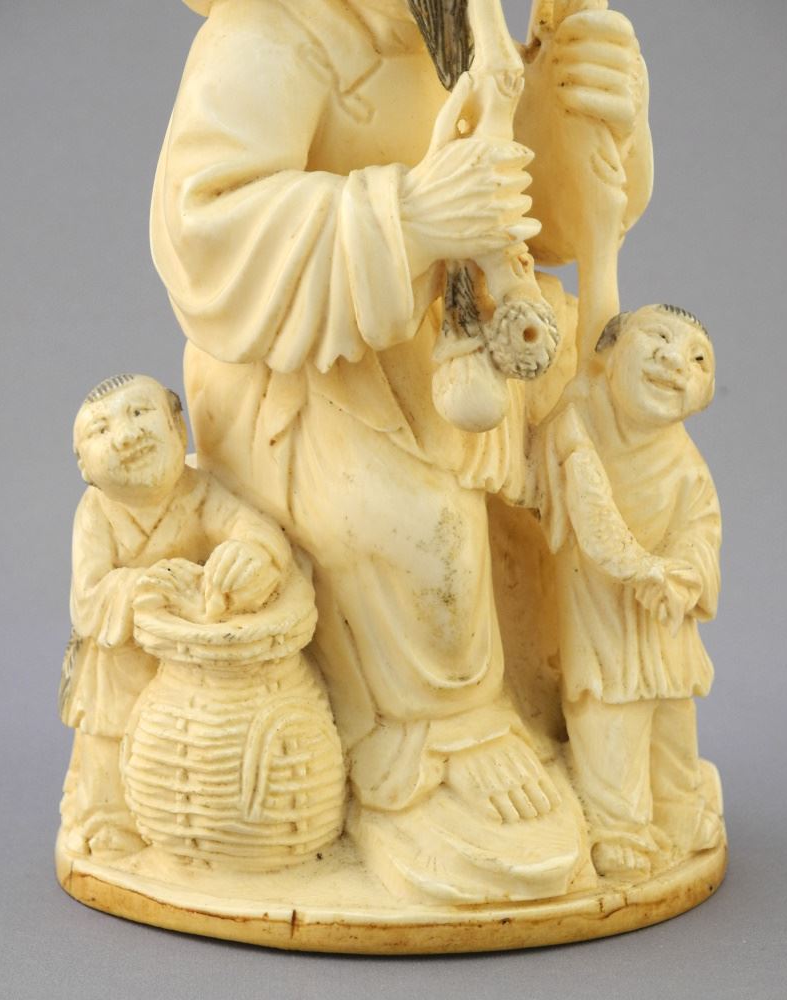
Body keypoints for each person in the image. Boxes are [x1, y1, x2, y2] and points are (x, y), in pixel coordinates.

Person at [150, 0, 653, 900]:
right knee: (424, 532)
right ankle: (431, 737)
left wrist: (581, 110)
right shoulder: (268, 36)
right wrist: (409, 217)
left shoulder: (458, 26)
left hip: (468, 336)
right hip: (309, 370)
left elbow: (545, 224)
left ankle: (580, 707)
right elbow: (204, 233)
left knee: (602, 451)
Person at [60, 374, 292, 857]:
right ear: (84, 467)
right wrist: (146, 586)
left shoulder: (200, 491)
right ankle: (109, 816)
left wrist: (250, 553)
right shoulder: (96, 512)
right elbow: (88, 599)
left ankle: (201, 822)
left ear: (177, 426)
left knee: (196, 742)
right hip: (123, 653)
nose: (126, 436)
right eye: (101, 430)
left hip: (190, 652)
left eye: (139, 413)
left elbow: (254, 530)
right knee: (110, 724)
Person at [528, 305, 723, 877]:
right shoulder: (575, 424)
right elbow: (594, 520)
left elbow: (701, 529)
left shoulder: (686, 465)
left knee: (672, 722)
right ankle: (620, 829)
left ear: (704, 397)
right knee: (609, 719)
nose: (675, 360)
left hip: (662, 621)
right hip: (601, 617)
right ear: (608, 353)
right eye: (658, 336)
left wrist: (683, 576)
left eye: (698, 359)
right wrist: (642, 569)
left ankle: (679, 808)